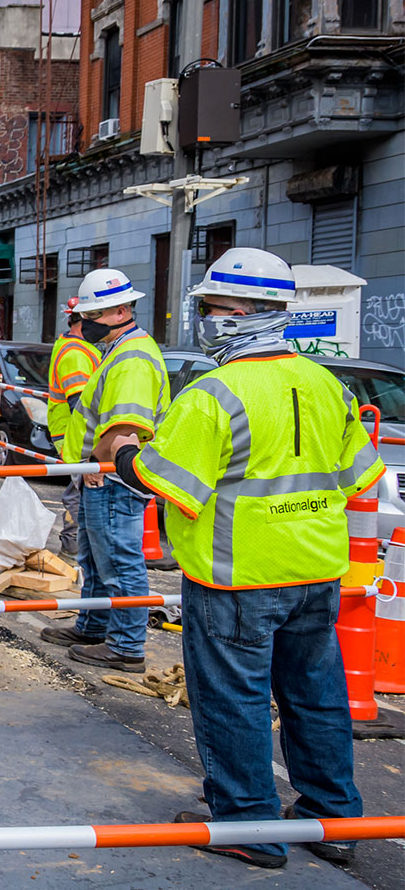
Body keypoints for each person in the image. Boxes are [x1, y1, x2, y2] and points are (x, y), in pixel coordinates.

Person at [106, 248, 382, 869]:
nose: (201, 318)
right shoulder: (325, 385)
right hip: (315, 574)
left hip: (235, 578)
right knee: (316, 697)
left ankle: (247, 822)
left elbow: (164, 480)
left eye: (207, 308)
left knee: (235, 700)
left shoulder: (213, 394)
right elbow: (357, 478)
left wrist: (125, 450)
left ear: (234, 315)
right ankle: (332, 819)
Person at [44, 269, 170, 672]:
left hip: (112, 477)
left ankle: (126, 645)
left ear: (119, 311)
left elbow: (125, 425)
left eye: (94, 314)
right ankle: (94, 624)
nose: (87, 323)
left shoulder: (132, 357)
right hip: (100, 474)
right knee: (96, 559)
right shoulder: (119, 350)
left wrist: (97, 461)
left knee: (118, 560)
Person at [47, 297, 99, 558]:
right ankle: (73, 545)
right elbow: (81, 404)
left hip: (74, 433)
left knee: (81, 488)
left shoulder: (78, 348)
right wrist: (94, 446)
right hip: (76, 434)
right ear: (85, 319)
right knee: (81, 489)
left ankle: (76, 545)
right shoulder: (75, 353)